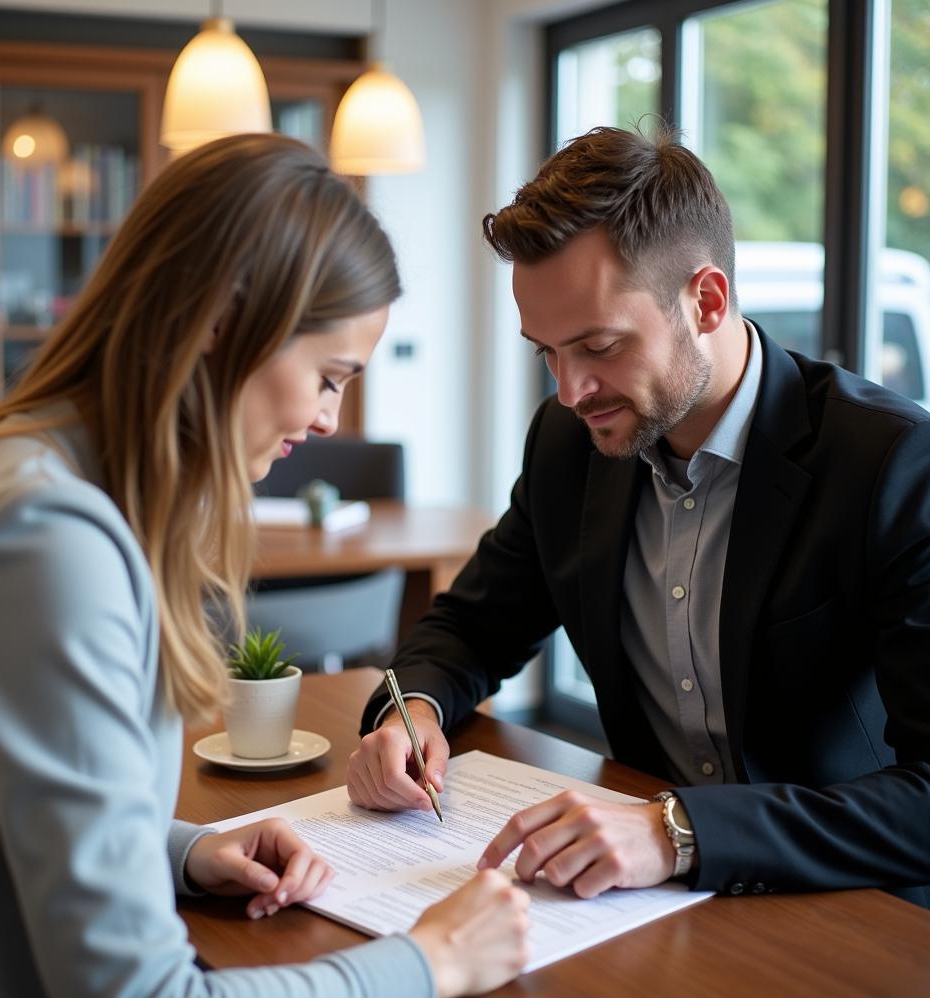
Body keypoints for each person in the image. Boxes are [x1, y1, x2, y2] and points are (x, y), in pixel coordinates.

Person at [0, 134, 530, 998]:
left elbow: (4, 801)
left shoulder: (30, 483)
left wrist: (185, 852)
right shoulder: (44, 539)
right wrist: (430, 962)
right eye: (327, 376)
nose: (327, 418)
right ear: (220, 320)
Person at [347, 124, 930, 909]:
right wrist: (410, 712)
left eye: (599, 345)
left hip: (843, 907)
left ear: (707, 301)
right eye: (546, 353)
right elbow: (471, 626)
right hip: (642, 908)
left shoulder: (893, 465)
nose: (570, 390)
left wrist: (677, 830)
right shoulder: (568, 444)